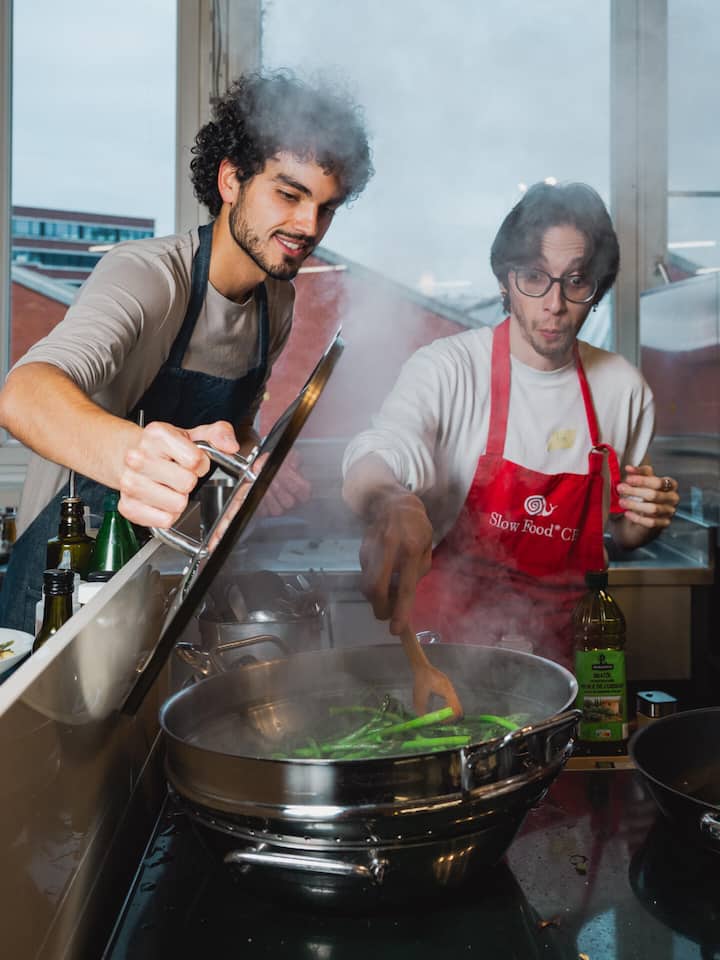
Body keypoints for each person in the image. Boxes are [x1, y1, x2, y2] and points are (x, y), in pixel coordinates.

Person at [0, 70, 373, 633]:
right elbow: (23, 395)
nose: (308, 225)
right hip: (67, 571)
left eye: (326, 207)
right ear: (230, 180)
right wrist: (135, 455)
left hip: (168, 561)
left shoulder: (278, 300)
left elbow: (232, 426)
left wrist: (252, 460)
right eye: (288, 194)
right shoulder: (146, 276)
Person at [342, 182, 678, 668]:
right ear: (504, 280)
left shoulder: (623, 390)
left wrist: (644, 524)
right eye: (534, 277)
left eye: (576, 280)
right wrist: (389, 499)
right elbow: (382, 446)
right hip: (449, 655)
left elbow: (621, 530)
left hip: (570, 659)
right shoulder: (449, 369)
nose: (554, 304)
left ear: (597, 287)